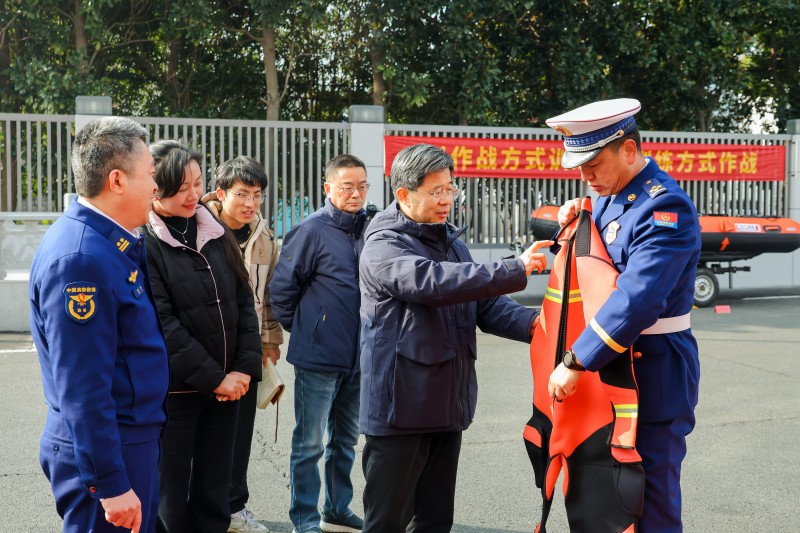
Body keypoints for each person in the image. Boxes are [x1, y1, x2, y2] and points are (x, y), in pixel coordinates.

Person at [358, 143, 552, 533]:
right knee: (387, 521)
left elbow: (486, 304)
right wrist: (513, 268)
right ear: (404, 195)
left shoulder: (451, 242)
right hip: (401, 408)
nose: (447, 199)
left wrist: (540, 326)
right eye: (436, 191)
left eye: (450, 188)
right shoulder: (384, 244)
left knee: (435, 520)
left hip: (445, 404)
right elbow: (432, 283)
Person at [545, 98, 701, 532]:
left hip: (654, 367)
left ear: (629, 150)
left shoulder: (665, 208)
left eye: (593, 164)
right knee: (611, 493)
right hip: (614, 365)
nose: (585, 176)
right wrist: (580, 217)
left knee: (650, 495)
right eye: (580, 167)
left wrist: (577, 359)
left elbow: (637, 299)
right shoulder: (609, 196)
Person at [29, 116, 169, 533]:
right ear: (117, 180)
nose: (156, 186)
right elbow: (83, 387)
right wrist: (110, 482)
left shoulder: (106, 243)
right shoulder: (81, 260)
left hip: (128, 440)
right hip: (111, 450)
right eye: (150, 174)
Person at [143, 140, 262, 533]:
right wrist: (215, 378)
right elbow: (164, 324)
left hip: (227, 393)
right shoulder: (146, 243)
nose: (193, 195)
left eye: (196, 184)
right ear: (155, 188)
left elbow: (244, 300)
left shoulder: (214, 230)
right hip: (178, 393)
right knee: (171, 496)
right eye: (181, 187)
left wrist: (243, 369)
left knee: (214, 493)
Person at [268, 154, 371, 533]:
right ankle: (305, 519)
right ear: (328, 188)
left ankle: (337, 509)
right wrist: (309, 329)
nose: (356, 194)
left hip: (359, 357)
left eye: (362, 186)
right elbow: (281, 291)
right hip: (318, 358)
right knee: (309, 444)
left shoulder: (371, 228)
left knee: (345, 442)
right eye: (347, 186)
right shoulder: (310, 230)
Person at [201, 156, 284, 533]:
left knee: (240, 434)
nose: (251, 203)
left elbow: (267, 296)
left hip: (246, 349)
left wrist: (269, 340)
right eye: (242, 194)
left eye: (257, 195)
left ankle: (234, 507)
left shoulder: (263, 236)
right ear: (221, 194)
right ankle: (200, 508)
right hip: (206, 350)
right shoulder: (198, 229)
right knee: (203, 436)